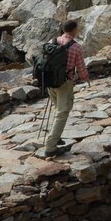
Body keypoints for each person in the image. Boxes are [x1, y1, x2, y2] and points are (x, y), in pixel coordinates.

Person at [41, 20, 89, 158]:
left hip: (50, 81)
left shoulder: (52, 41)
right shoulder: (76, 47)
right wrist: (86, 79)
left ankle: (56, 136)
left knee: (57, 110)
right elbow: (81, 68)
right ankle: (50, 146)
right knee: (62, 112)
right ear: (74, 30)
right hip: (64, 83)